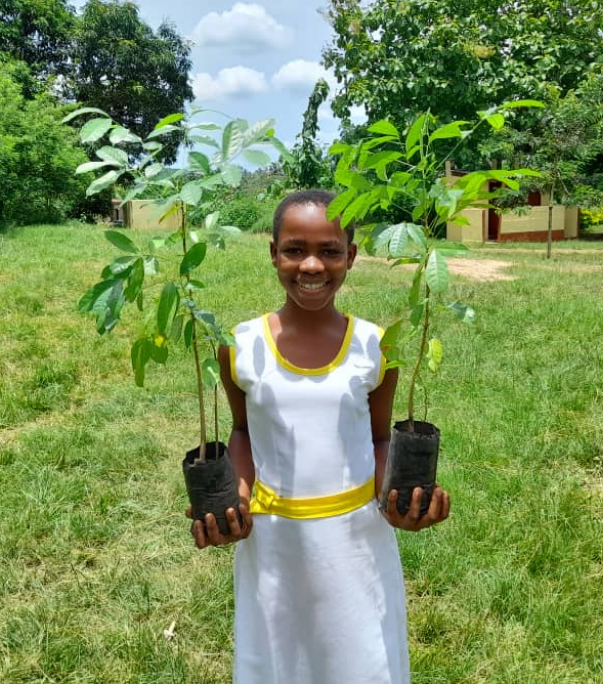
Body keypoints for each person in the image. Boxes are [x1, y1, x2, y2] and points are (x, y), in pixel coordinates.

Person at [187, 189, 451, 684]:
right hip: (274, 545)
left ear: (350, 257)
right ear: (272, 253)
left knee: (362, 660)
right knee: (279, 661)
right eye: (294, 249)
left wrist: (399, 502)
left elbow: (379, 439)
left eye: (329, 251)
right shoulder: (240, 347)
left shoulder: (375, 346)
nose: (311, 266)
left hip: (356, 544)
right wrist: (236, 497)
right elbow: (243, 430)